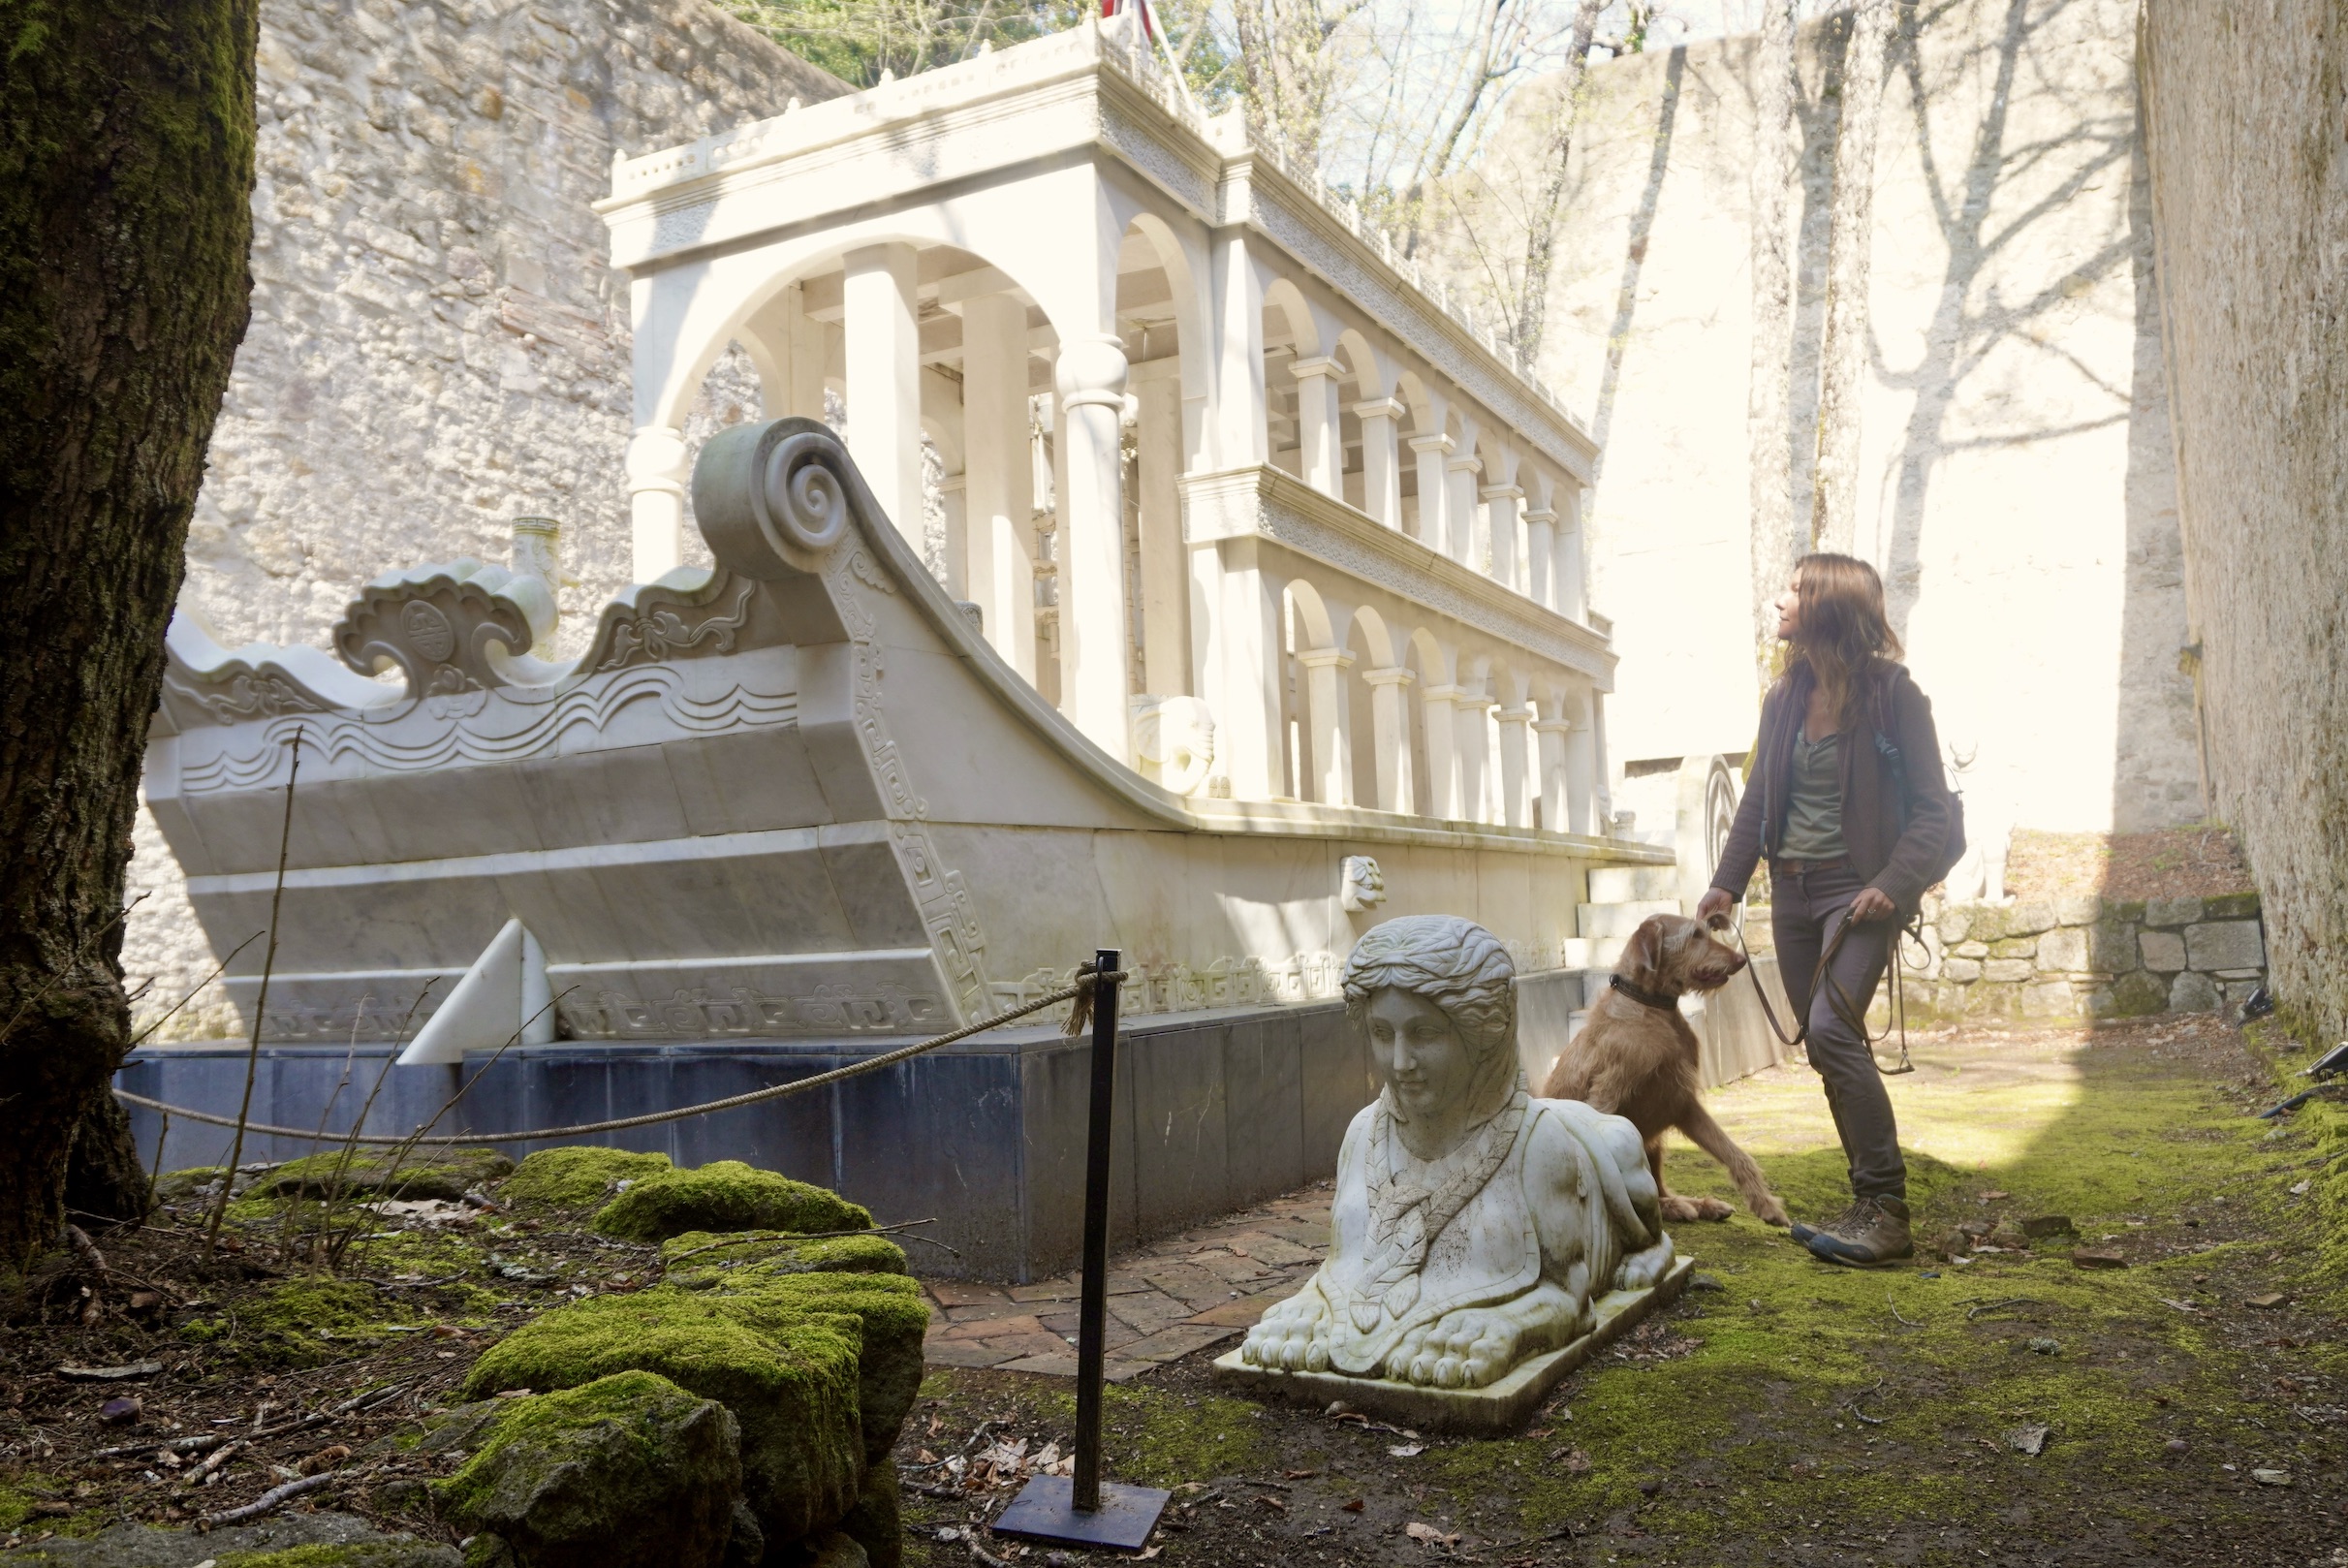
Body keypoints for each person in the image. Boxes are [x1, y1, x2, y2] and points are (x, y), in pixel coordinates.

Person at [1696, 554, 1954, 1267]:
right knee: (1821, 1043)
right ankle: (1866, 1204)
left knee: (1830, 1030)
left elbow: (1933, 813)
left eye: (1796, 591)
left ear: (1830, 607)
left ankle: (1887, 1210)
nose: (1780, 600)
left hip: (1858, 893)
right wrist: (1729, 882)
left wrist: (1892, 885)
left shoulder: (1893, 696)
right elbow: (1755, 801)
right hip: (1794, 892)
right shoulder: (1784, 698)